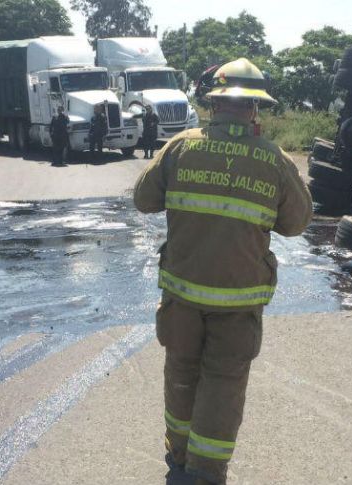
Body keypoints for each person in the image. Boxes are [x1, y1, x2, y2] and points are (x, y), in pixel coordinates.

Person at [133, 58, 312, 485]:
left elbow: (143, 199)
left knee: (181, 373)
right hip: (238, 302)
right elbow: (296, 223)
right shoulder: (275, 160)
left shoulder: (179, 147)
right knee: (223, 385)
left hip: (181, 297)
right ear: (255, 109)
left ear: (213, 102)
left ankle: (178, 458)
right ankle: (205, 472)